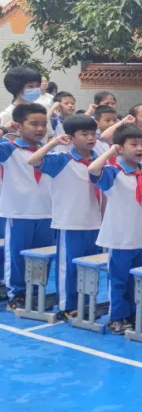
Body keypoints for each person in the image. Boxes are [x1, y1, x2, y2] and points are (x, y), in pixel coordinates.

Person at [88, 124, 142, 334]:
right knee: (119, 280)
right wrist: (111, 151)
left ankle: (135, 313)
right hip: (121, 238)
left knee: (138, 279)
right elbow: (93, 170)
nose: (139, 149)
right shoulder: (113, 173)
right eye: (133, 145)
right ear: (120, 148)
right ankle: (117, 317)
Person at [29, 115, 103, 317]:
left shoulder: (98, 160)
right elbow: (33, 160)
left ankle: (85, 303)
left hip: (95, 222)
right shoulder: (62, 160)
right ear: (70, 137)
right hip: (70, 223)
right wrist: (54, 141)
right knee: (68, 267)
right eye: (84, 134)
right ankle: (67, 306)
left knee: (90, 266)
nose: (90, 138)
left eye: (93, 134)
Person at [1, 102, 54, 310]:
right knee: (16, 256)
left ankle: (36, 291)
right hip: (19, 212)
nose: (40, 129)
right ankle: (16, 293)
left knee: (42, 256)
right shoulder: (8, 149)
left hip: (47, 213)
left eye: (43, 124)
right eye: (33, 124)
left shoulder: (48, 151)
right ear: (19, 126)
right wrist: (6, 129)